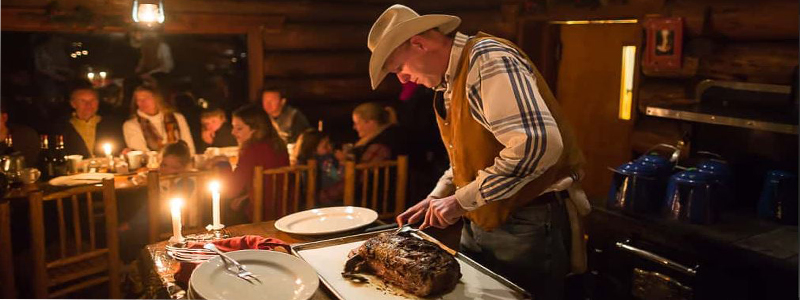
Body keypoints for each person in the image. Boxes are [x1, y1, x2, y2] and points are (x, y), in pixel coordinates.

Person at [369, 5, 590, 300]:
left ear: (419, 44)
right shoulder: (448, 81)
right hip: (484, 218)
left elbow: (538, 146)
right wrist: (439, 195)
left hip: (527, 222)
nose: (403, 81)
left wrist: (460, 201)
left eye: (399, 68)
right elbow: (469, 153)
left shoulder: (488, 60)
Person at [215, 104, 289, 224]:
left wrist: (223, 164)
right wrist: (247, 196)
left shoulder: (251, 150)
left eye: (239, 128)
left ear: (256, 129)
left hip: (262, 213)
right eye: (233, 127)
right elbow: (268, 182)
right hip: (285, 209)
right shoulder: (279, 145)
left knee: (217, 204)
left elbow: (230, 190)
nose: (233, 132)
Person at [52, 86, 124, 157]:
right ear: (73, 104)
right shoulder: (62, 128)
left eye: (93, 100)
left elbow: (121, 149)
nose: (88, 105)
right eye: (82, 101)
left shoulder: (112, 125)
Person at [123, 85, 196, 155]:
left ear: (156, 98)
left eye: (147, 98)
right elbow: (142, 154)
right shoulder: (131, 125)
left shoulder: (177, 118)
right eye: (139, 100)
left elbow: (189, 147)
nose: (143, 102)